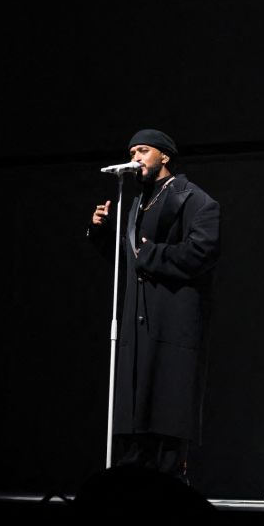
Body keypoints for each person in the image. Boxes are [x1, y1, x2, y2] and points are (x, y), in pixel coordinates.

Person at [87, 128, 220, 480]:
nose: (135, 159)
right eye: (132, 152)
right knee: (134, 408)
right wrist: (102, 232)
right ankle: (129, 483)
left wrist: (150, 253)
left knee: (166, 408)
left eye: (143, 151)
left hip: (171, 321)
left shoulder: (195, 200)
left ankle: (167, 483)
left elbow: (200, 253)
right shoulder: (136, 203)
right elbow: (130, 261)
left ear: (165, 156)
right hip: (137, 322)